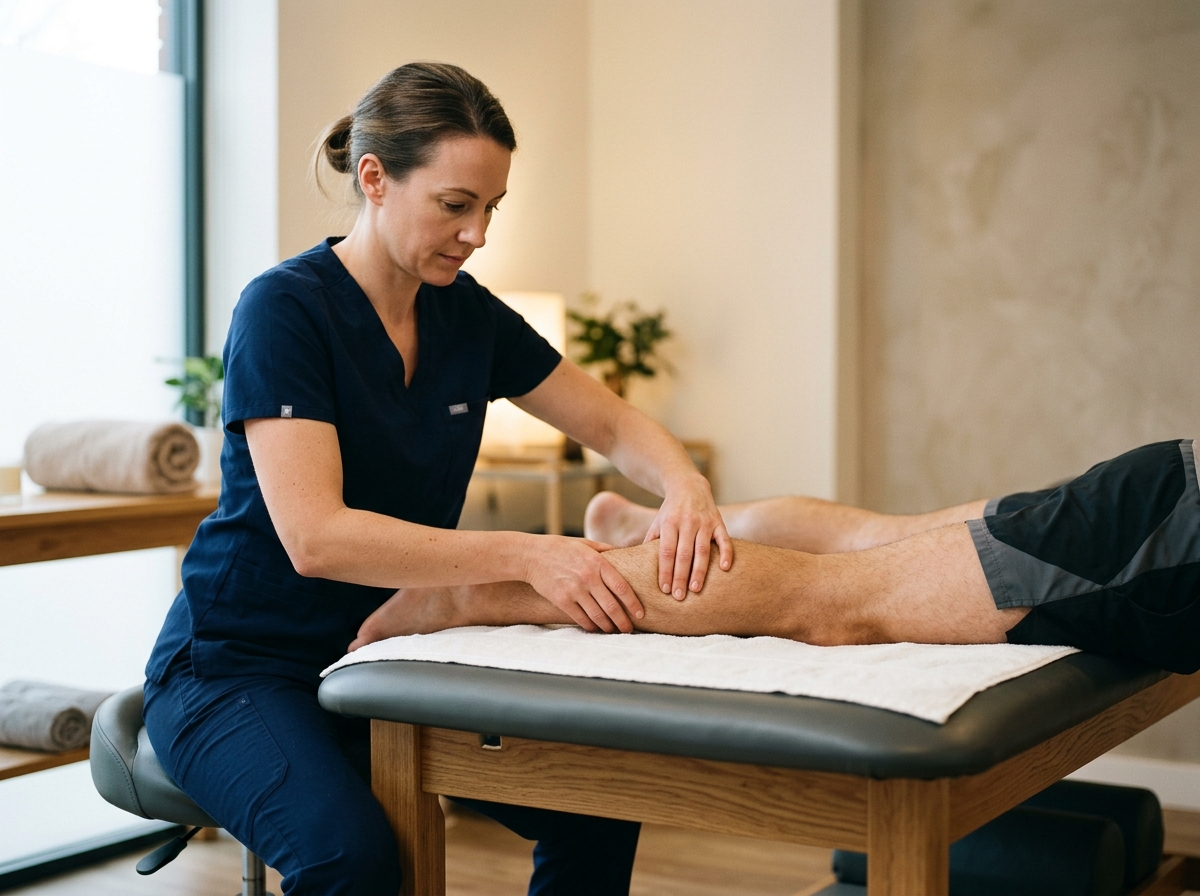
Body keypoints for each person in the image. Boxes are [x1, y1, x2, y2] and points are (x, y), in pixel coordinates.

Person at [143, 62, 733, 896]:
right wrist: (526, 557)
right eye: (456, 206)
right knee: (354, 860)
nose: (478, 232)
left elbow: (610, 424)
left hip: (390, 659)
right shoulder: (284, 310)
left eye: (491, 208)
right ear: (375, 179)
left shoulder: (465, 314)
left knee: (595, 802)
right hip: (240, 670)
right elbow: (317, 538)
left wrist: (686, 488)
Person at [352, 439, 1200, 676]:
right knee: (840, 604)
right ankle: (465, 599)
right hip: (1171, 529)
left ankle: (632, 528)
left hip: (1169, 498)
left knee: (874, 542)